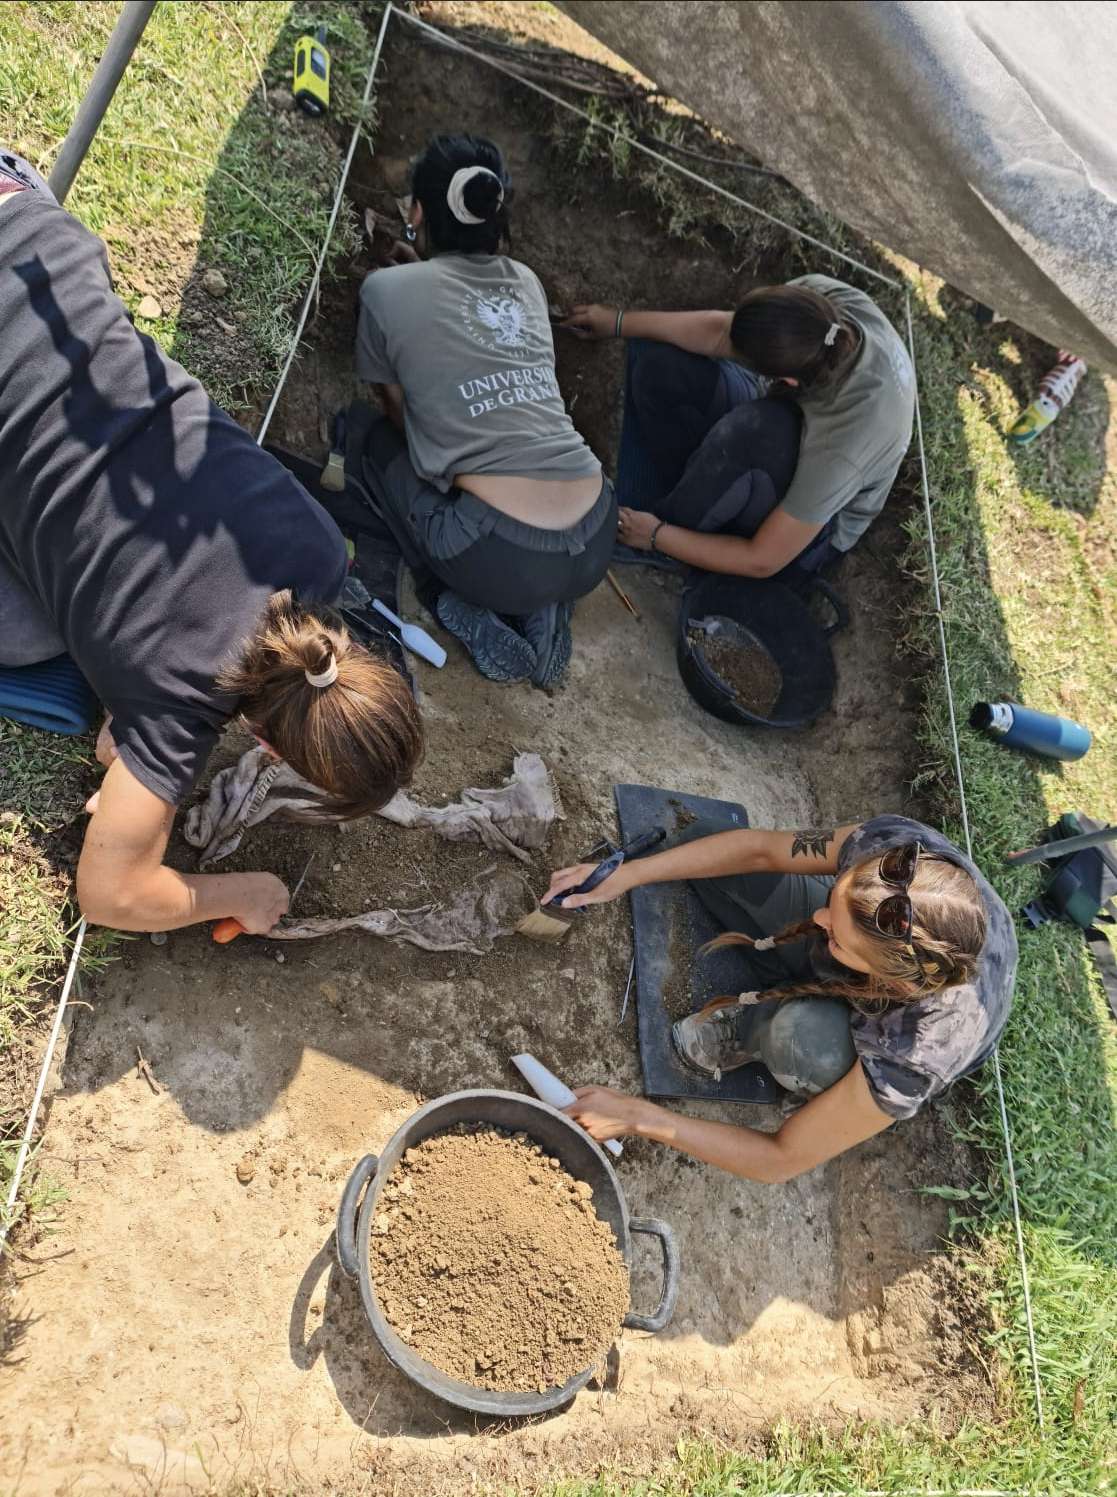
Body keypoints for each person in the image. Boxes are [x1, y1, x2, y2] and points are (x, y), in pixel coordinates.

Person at [0, 150, 423, 934]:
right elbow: (110, 895)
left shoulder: (320, 548)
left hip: (26, 227)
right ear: (263, 738)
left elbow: (178, 592)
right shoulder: (174, 710)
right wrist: (237, 894)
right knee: (30, 640)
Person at [544, 815, 1015, 1182]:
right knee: (710, 840)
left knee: (802, 1040)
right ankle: (809, 960)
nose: (816, 915)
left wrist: (638, 1116)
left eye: (836, 935)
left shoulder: (917, 1052)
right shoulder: (897, 854)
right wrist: (630, 874)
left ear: (895, 983)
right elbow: (763, 851)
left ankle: (757, 1029)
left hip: (885, 1021)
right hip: (880, 957)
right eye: (832, 901)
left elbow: (780, 1159)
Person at [356, 134, 616, 688]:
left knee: (370, 443)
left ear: (419, 211)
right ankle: (547, 607)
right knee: (499, 503)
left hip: (497, 555)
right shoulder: (526, 280)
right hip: (596, 533)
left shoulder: (383, 291)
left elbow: (400, 414)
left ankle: (455, 599)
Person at [563, 275, 915, 579]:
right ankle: (700, 491)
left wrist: (656, 535)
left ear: (787, 381)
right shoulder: (821, 306)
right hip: (783, 420)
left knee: (755, 433)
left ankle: (672, 535)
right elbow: (720, 333)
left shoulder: (847, 443)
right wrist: (618, 322)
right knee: (661, 368)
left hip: (808, 536)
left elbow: (763, 560)